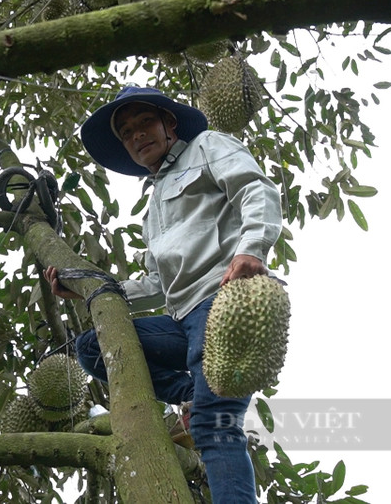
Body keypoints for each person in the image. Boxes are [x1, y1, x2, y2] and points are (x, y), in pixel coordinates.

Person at [44, 86, 282, 503]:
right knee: (92, 346)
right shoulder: (154, 208)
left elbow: (255, 189)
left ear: (169, 124)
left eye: (144, 123)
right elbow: (156, 285)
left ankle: (201, 411)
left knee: (214, 425)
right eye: (127, 132)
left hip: (226, 301)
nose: (137, 135)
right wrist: (89, 289)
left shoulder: (208, 146)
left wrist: (251, 250)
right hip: (182, 321)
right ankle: (188, 394)